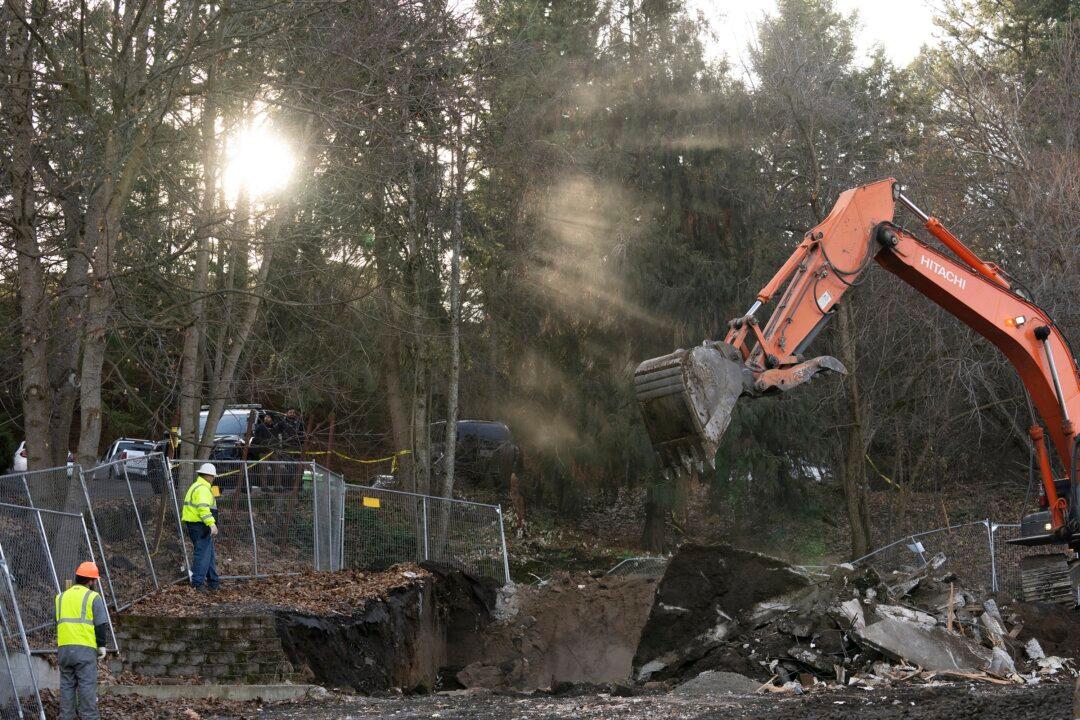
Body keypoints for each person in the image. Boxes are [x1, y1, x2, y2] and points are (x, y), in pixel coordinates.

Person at [55, 561, 109, 720]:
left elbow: (57, 621)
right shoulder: (93, 597)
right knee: (86, 685)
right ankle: (89, 717)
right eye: (94, 580)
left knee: (67, 686)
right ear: (91, 581)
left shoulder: (60, 597)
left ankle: (66, 716)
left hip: (64, 649)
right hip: (84, 649)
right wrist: (101, 645)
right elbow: (100, 624)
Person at [181, 463, 220, 591]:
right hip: (200, 525)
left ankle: (213, 582)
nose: (213, 478)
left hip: (198, 525)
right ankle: (197, 583)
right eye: (213, 476)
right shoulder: (202, 489)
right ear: (208, 476)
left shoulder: (199, 486)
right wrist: (211, 524)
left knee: (209, 555)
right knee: (202, 555)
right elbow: (203, 508)